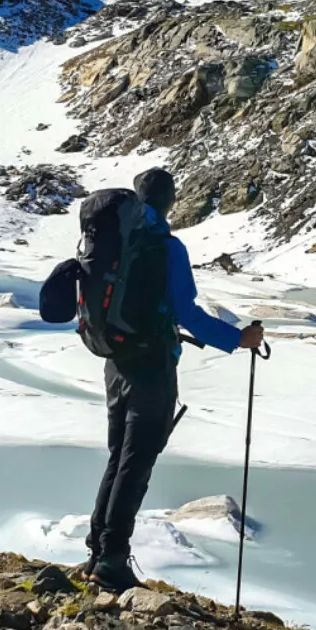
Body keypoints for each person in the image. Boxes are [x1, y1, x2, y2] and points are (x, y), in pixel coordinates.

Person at [85, 167, 265, 591]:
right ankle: (112, 560)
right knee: (137, 463)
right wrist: (238, 338)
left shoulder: (114, 240)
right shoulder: (167, 247)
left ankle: (97, 551)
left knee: (119, 459)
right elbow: (187, 314)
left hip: (116, 364)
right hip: (153, 369)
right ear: (169, 202)